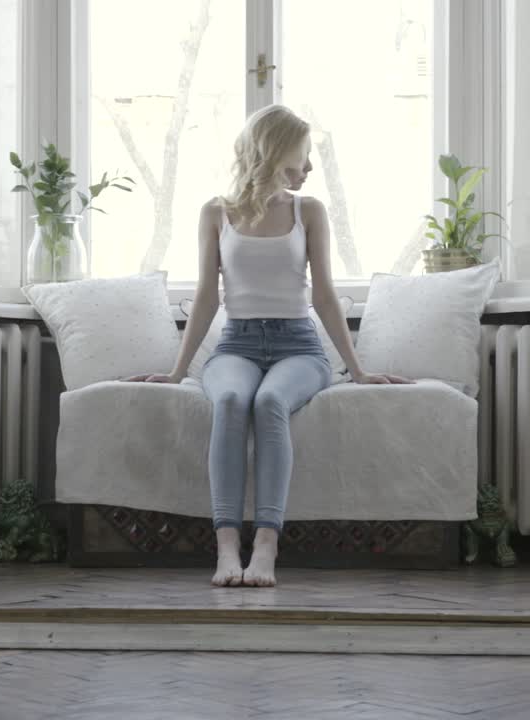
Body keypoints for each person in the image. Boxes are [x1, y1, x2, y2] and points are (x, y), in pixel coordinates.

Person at [125, 105, 413, 588]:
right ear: (276, 151)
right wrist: (176, 372)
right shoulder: (216, 212)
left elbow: (322, 294)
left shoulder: (309, 211)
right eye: (303, 156)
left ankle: (265, 544)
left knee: (271, 401)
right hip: (236, 345)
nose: (309, 168)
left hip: (299, 347)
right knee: (233, 399)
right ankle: (226, 547)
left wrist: (356, 370)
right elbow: (204, 296)